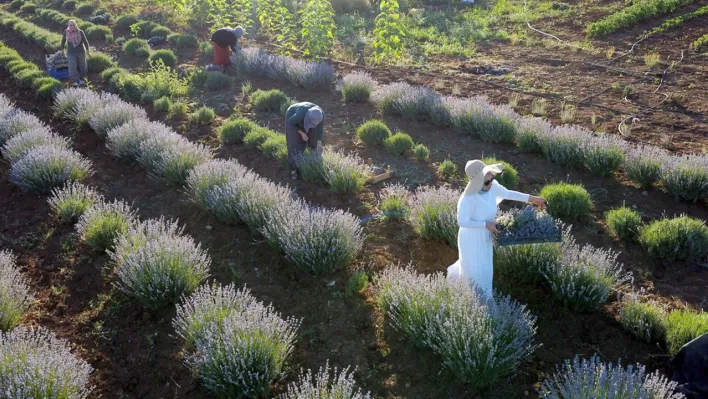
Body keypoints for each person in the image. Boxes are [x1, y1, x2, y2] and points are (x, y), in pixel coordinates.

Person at [447, 159, 546, 297]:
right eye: (486, 182)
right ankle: (471, 299)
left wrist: (533, 199)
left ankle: (483, 298)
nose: (490, 184)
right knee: (473, 269)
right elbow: (462, 221)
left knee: (485, 269)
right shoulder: (468, 198)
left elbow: (509, 193)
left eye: (491, 179)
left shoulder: (493, 187)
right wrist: (486, 224)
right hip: (471, 238)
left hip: (485, 235)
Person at [285, 102, 325, 180]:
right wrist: (302, 133)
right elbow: (290, 123)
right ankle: (293, 169)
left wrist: (319, 144)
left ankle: (314, 159)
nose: (315, 125)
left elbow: (319, 130)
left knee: (314, 139)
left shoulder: (320, 115)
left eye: (316, 123)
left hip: (308, 117)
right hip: (292, 117)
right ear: (308, 118)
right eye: (313, 123)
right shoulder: (299, 115)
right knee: (295, 144)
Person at [60, 20, 90, 87]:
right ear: (68, 25)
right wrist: (62, 50)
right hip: (70, 53)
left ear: (76, 25)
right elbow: (63, 42)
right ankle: (75, 81)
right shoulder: (66, 32)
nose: (72, 26)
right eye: (71, 25)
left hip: (81, 52)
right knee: (72, 67)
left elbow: (86, 42)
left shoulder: (80, 32)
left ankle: (82, 80)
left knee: (83, 66)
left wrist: (88, 51)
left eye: (74, 25)